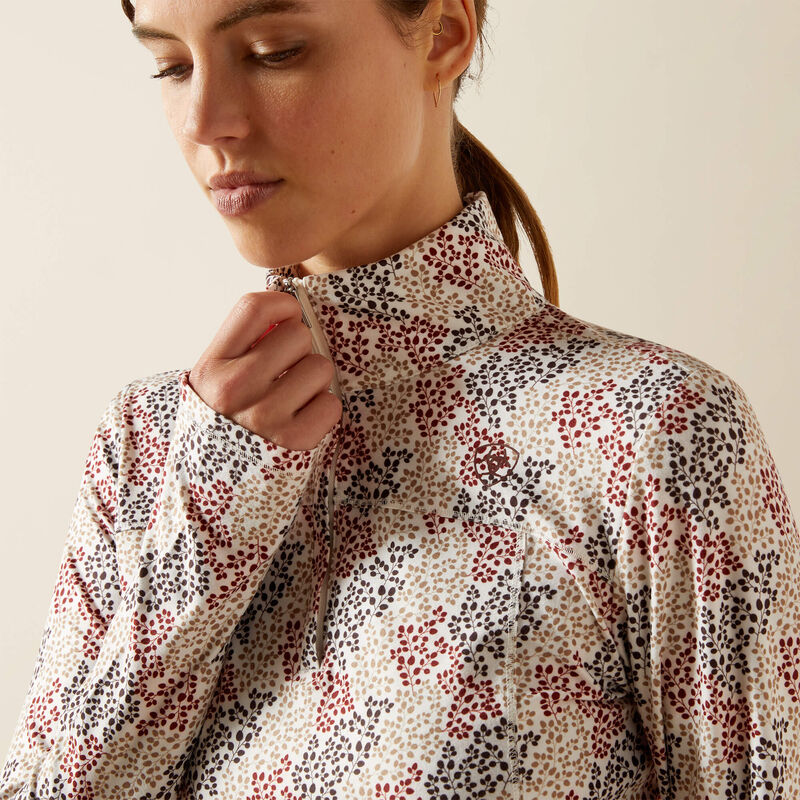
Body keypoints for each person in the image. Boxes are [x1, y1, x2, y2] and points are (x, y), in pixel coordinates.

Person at [1, 0, 797, 797]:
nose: (206, 121)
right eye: (171, 66)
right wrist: (207, 533)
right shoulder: (147, 446)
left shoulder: (651, 433)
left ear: (443, 36)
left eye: (274, 52)